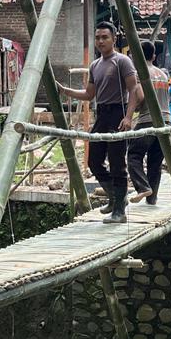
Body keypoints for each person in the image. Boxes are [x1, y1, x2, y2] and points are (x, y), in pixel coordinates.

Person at [58, 22, 138, 224]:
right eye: (98, 37)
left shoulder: (122, 61)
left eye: (105, 37)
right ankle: (115, 198)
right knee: (94, 160)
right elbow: (89, 94)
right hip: (101, 114)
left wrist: (128, 117)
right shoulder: (95, 65)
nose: (101, 41)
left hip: (117, 112)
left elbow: (133, 90)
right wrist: (66, 91)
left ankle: (119, 211)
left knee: (117, 162)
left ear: (113, 39)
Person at [125, 41, 171, 205]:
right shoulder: (163, 74)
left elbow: (141, 97)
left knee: (133, 156)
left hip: (147, 121)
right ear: (153, 56)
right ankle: (152, 198)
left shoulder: (140, 74)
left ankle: (143, 187)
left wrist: (131, 112)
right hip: (166, 121)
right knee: (155, 162)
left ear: (135, 56)